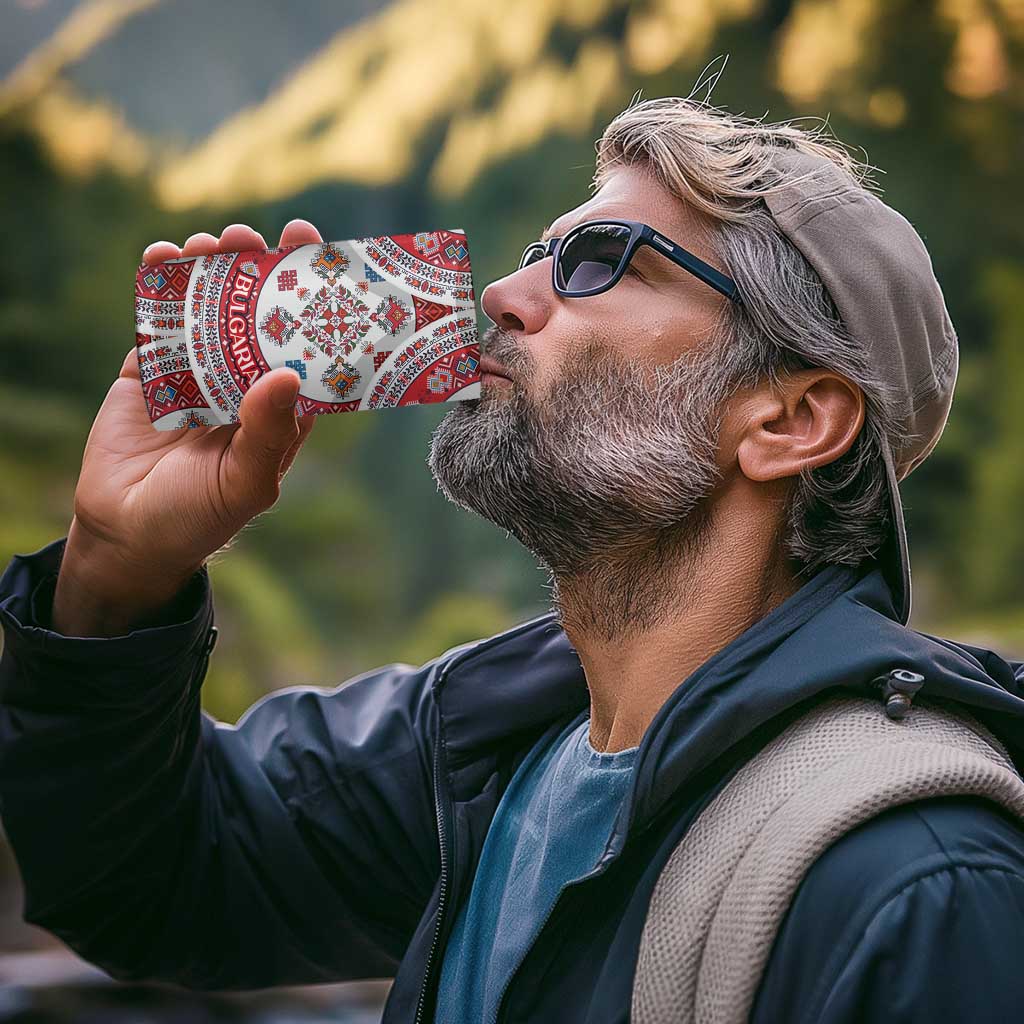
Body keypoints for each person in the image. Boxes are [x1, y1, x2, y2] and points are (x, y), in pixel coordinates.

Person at [2, 95, 1024, 1024]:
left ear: (791, 419)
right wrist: (115, 571)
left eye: (599, 261)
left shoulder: (918, 884)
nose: (502, 292)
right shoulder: (480, 749)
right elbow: (149, 880)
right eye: (541, 252)